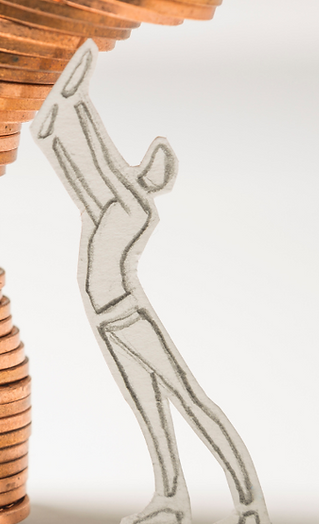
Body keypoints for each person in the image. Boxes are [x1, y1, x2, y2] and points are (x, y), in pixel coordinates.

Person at [31, 42, 272, 524]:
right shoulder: (110, 206)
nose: (153, 164)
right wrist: (57, 124)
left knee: (190, 401)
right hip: (107, 321)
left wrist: (75, 105)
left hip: (126, 316)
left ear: (159, 181)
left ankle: (248, 505)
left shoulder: (135, 209)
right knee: (151, 413)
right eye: (151, 159)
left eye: (161, 165)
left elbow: (100, 168)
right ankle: (170, 501)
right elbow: (87, 176)